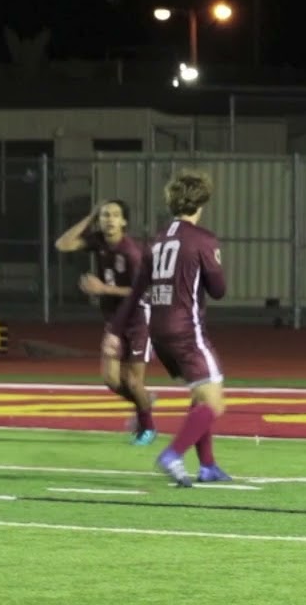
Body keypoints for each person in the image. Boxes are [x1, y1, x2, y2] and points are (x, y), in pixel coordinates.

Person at [103, 170, 232, 486]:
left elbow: (136, 293)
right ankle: (173, 454)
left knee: (200, 392)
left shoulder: (156, 241)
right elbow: (218, 290)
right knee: (214, 400)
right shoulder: (203, 239)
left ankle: (208, 466)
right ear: (201, 201)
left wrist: (113, 332)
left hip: (157, 332)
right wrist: (212, 264)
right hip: (187, 330)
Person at [56, 199, 157, 445]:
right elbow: (63, 244)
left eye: (114, 215)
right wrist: (89, 217)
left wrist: (104, 289)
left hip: (137, 319)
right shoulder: (99, 241)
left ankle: (148, 428)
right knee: (112, 380)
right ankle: (144, 401)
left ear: (124, 222)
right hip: (114, 321)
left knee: (133, 381)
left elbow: (141, 291)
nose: (109, 219)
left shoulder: (131, 252)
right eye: (104, 215)